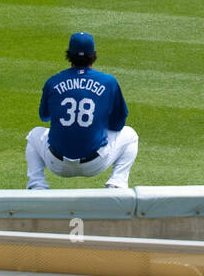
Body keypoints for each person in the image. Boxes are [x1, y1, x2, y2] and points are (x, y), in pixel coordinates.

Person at [25, 32, 138, 190]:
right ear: (94, 55)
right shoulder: (108, 82)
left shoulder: (53, 81)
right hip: (95, 164)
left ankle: (37, 185)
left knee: (34, 134)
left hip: (57, 164)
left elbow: (44, 116)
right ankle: (117, 184)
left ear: (69, 55)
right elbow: (118, 124)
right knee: (130, 135)